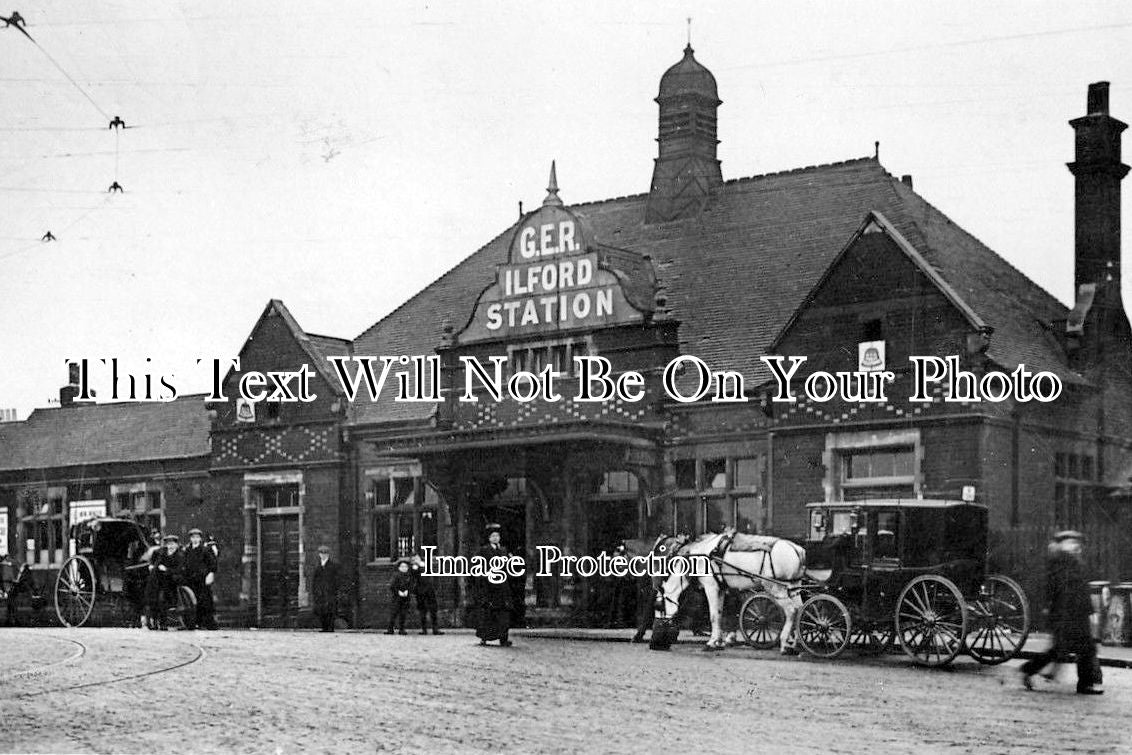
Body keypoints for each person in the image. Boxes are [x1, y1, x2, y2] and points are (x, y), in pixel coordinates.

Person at [1021, 531, 1103, 694]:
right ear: (1062, 544)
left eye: (1077, 543)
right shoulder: (1062, 562)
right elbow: (1059, 590)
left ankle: (1086, 683)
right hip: (1066, 614)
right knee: (1067, 649)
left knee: (1082, 648)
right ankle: (1029, 670)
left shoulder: (1072, 561)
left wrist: (1088, 609)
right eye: (1071, 542)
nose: (1076, 546)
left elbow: (1081, 588)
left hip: (1076, 613)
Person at [475, 523, 513, 647]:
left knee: (503, 614)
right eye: (493, 536)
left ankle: (503, 638)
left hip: (502, 587)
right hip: (490, 587)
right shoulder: (484, 550)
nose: (496, 538)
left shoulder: (504, 550)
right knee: (488, 614)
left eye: (497, 536)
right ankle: (485, 638)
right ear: (489, 538)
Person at [182, 528, 217, 630]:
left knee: (205, 601)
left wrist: (210, 574)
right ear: (190, 539)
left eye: (197, 537)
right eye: (193, 537)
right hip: (190, 580)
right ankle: (194, 622)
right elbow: (184, 564)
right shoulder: (187, 551)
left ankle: (207, 623)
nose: (195, 539)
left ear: (200, 539)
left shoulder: (205, 550)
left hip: (202, 580)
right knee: (192, 602)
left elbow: (212, 564)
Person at [151, 534, 185, 630]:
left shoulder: (180, 555)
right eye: (169, 544)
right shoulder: (162, 554)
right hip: (161, 581)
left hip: (173, 581)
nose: (170, 546)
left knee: (163, 598)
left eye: (172, 544)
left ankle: (163, 622)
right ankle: (156, 621)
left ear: (176, 545)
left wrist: (166, 570)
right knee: (155, 595)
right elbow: (156, 565)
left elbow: (180, 569)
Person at [410, 553, 442, 635]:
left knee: (433, 610)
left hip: (430, 591)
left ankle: (435, 629)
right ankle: (424, 630)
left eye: (416, 558)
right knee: (422, 611)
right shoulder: (414, 568)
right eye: (413, 559)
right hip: (420, 592)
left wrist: (435, 587)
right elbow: (413, 577)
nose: (415, 560)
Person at [310, 545, 340, 633]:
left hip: (329, 592)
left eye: (325, 553)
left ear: (328, 555)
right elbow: (315, 580)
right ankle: (324, 627)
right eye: (321, 553)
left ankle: (330, 628)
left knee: (330, 610)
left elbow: (336, 579)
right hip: (320, 592)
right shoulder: (317, 566)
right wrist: (315, 591)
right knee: (321, 610)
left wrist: (334, 589)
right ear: (319, 555)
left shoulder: (333, 566)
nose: (323, 555)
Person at [386, 559, 413, 635]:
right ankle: (390, 629)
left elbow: (411, 585)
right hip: (396, 598)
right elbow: (392, 586)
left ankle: (402, 629)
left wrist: (408, 591)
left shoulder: (409, 576)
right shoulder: (396, 575)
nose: (404, 568)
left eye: (405, 566)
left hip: (406, 598)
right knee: (394, 613)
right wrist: (398, 592)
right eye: (402, 566)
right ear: (399, 567)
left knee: (403, 614)